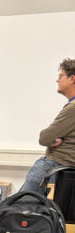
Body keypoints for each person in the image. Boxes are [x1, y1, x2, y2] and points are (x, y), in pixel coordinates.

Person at [20, 58, 75, 193]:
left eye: (61, 76)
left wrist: (51, 139)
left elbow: (44, 138)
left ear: (72, 78)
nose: (57, 80)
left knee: (24, 202)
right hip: (65, 168)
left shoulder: (72, 108)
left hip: (55, 164)